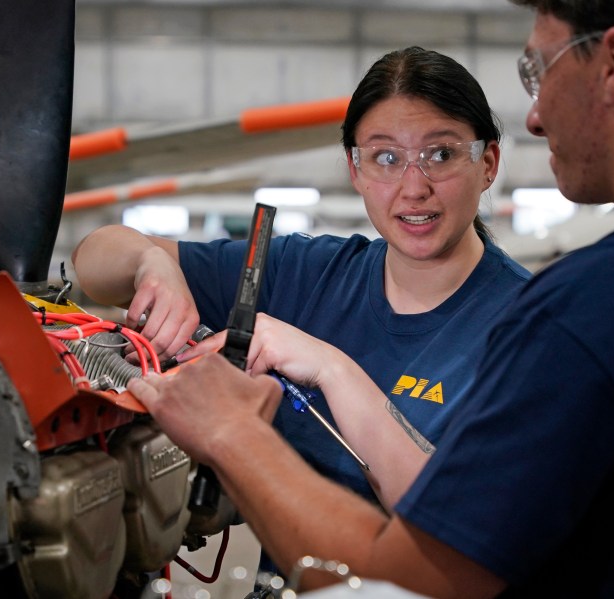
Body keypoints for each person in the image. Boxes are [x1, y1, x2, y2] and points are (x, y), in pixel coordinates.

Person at [127, 0, 614, 597]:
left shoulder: (591, 312)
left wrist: (231, 430)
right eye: (386, 158)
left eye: (539, 71)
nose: (535, 116)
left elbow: (406, 581)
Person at [72, 47, 530, 513]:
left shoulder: (532, 327)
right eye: (386, 157)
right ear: (355, 168)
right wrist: (152, 261)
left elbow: (467, 519)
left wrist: (331, 369)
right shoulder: (303, 272)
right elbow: (96, 257)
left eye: (441, 153)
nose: (414, 187)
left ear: (488, 163)